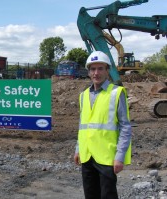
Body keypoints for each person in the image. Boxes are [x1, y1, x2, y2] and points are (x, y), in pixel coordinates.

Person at [74, 51, 132, 199]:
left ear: (107, 71)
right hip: (87, 156)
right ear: (88, 72)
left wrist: (120, 157)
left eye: (100, 68)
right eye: (92, 69)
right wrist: (78, 149)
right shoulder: (83, 95)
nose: (96, 73)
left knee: (108, 195)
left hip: (107, 157)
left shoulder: (117, 93)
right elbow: (83, 126)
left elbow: (125, 127)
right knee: (90, 195)